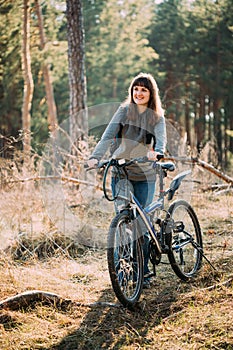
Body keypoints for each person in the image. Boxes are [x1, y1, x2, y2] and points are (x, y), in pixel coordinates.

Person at [87, 72, 167, 287]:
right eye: (136, 89)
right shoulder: (124, 111)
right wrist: (95, 157)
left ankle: (144, 271)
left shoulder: (156, 117)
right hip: (121, 171)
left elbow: (161, 139)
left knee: (142, 223)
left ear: (151, 94)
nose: (138, 93)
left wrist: (158, 152)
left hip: (145, 174)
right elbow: (107, 135)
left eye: (144, 90)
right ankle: (122, 272)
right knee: (123, 223)